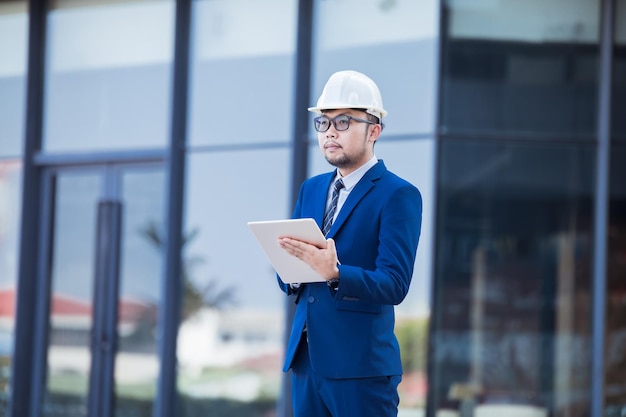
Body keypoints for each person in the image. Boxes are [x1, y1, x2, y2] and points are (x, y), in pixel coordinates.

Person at [276, 70, 423, 417]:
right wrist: (291, 270)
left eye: (343, 122)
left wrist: (336, 274)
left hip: (361, 369)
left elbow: (395, 284)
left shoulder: (398, 195)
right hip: (307, 362)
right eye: (323, 122)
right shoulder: (310, 189)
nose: (329, 132)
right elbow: (290, 280)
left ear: (374, 130)